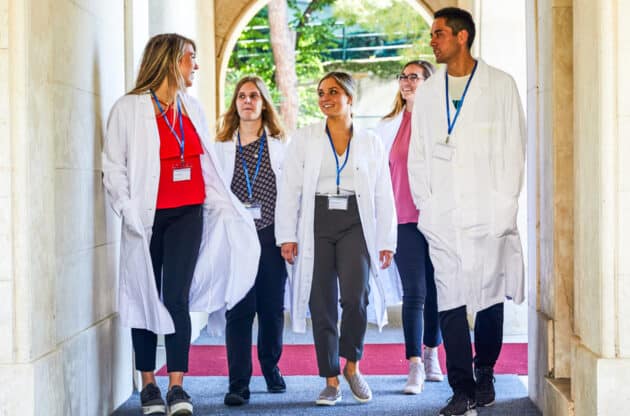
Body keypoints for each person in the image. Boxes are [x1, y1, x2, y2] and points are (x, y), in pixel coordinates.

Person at [102, 33, 260, 416]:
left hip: (188, 214)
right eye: (192, 57)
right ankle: (148, 385)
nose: (196, 66)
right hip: (146, 217)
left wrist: (228, 208)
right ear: (172, 60)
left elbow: (206, 166)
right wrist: (126, 208)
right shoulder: (128, 108)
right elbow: (113, 165)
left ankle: (176, 386)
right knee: (143, 295)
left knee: (176, 298)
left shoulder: (192, 108)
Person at [408, 7, 526, 416]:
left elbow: (514, 151)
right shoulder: (426, 92)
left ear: (461, 37)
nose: (432, 41)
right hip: (443, 214)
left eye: (438, 33)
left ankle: (486, 370)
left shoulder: (500, 86)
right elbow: (418, 153)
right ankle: (461, 387)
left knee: (490, 295)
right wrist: (427, 204)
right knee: (451, 297)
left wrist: (505, 207)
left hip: (488, 211)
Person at [275, 71, 397, 406]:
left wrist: (387, 239)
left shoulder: (371, 141)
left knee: (357, 297)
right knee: (322, 302)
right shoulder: (305, 138)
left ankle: (352, 366)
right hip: (317, 221)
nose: (325, 98)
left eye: (333, 91)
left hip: (356, 223)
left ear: (350, 98)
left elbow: (383, 192)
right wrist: (287, 234)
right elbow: (290, 189)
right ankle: (330, 379)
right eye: (320, 93)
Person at [214, 76, 289, 406]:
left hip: (271, 235)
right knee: (239, 309)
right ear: (235, 103)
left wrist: (291, 236)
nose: (247, 101)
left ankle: (271, 367)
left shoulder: (281, 144)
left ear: (263, 103)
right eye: (242, 96)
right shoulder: (219, 148)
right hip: (237, 238)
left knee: (272, 309)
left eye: (254, 96)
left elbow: (291, 195)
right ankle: (238, 383)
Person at [374, 60, 445, 395]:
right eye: (402, 76)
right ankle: (414, 363)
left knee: (437, 291)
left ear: (429, 82)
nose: (406, 82)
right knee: (414, 291)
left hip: (437, 218)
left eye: (413, 76)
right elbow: (378, 177)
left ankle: (433, 353)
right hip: (402, 220)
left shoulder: (442, 122)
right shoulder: (387, 126)